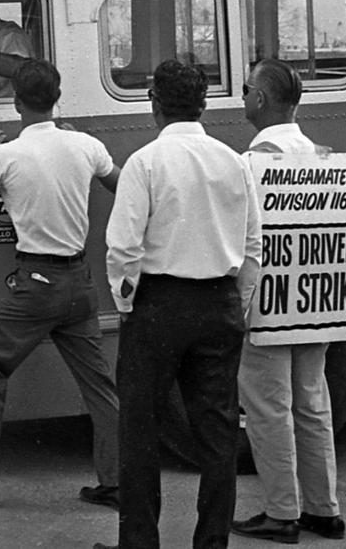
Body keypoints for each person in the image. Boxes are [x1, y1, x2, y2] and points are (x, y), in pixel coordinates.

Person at [0, 59, 122, 510]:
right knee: (99, 385)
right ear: (57, 98)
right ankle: (117, 479)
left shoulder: (5, 156)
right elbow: (120, 184)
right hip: (79, 283)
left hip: (36, 284)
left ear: (16, 102)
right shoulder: (84, 145)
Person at [96, 59, 262, 549]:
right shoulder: (233, 161)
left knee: (140, 433)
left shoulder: (145, 163)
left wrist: (128, 303)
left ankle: (141, 542)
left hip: (158, 304)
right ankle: (211, 542)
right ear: (204, 104)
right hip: (220, 302)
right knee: (218, 435)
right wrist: (240, 301)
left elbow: (123, 247)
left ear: (153, 102)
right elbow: (253, 245)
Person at [231, 59, 345, 544]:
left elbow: (243, 239)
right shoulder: (323, 155)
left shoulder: (251, 162)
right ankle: (325, 509)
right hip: (316, 300)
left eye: (245, 89)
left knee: (267, 407)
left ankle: (282, 512)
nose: (242, 98)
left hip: (268, 303)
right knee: (312, 402)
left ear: (259, 99)